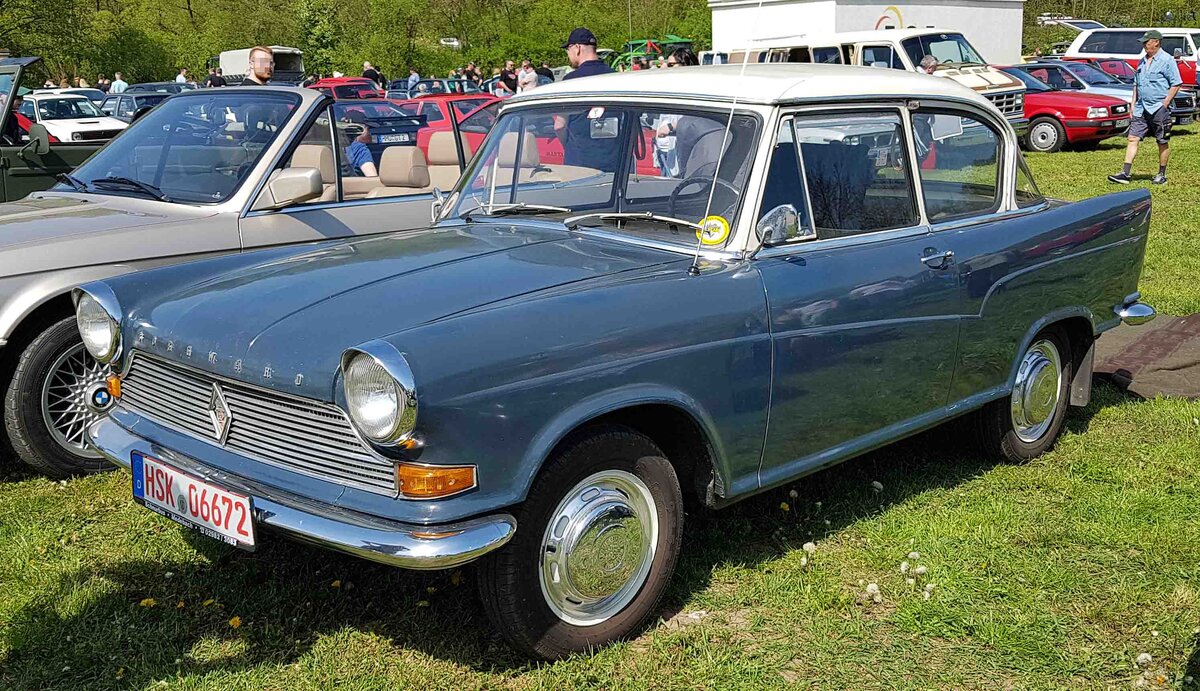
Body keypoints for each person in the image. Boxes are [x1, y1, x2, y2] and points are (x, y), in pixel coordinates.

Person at [1109, 30, 1183, 185]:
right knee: (1132, 138)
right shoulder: (1142, 61)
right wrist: (1133, 104)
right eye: (1143, 43)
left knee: (1162, 140)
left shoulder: (1167, 60)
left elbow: (1176, 83)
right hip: (1141, 108)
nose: (1144, 45)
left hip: (1158, 108)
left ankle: (1161, 174)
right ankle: (1125, 173)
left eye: (1146, 42)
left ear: (1156, 42)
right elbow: (1136, 84)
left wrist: (1165, 104)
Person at [554, 28, 618, 171]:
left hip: (580, 163)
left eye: (568, 49)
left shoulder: (570, 81)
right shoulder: (615, 77)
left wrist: (570, 146)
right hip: (615, 160)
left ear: (577, 48)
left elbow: (559, 126)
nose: (567, 54)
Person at [342, 111, 378, 177]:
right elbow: (372, 176)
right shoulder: (359, 149)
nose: (369, 133)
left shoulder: (330, 145)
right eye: (368, 129)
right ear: (359, 130)